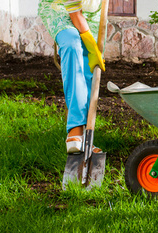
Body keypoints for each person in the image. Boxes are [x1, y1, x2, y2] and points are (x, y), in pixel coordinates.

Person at [38, 0, 106, 153]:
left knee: (90, 67)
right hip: (59, 8)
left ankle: (86, 138)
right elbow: (75, 13)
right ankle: (75, 128)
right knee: (72, 44)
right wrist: (90, 44)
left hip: (93, 11)